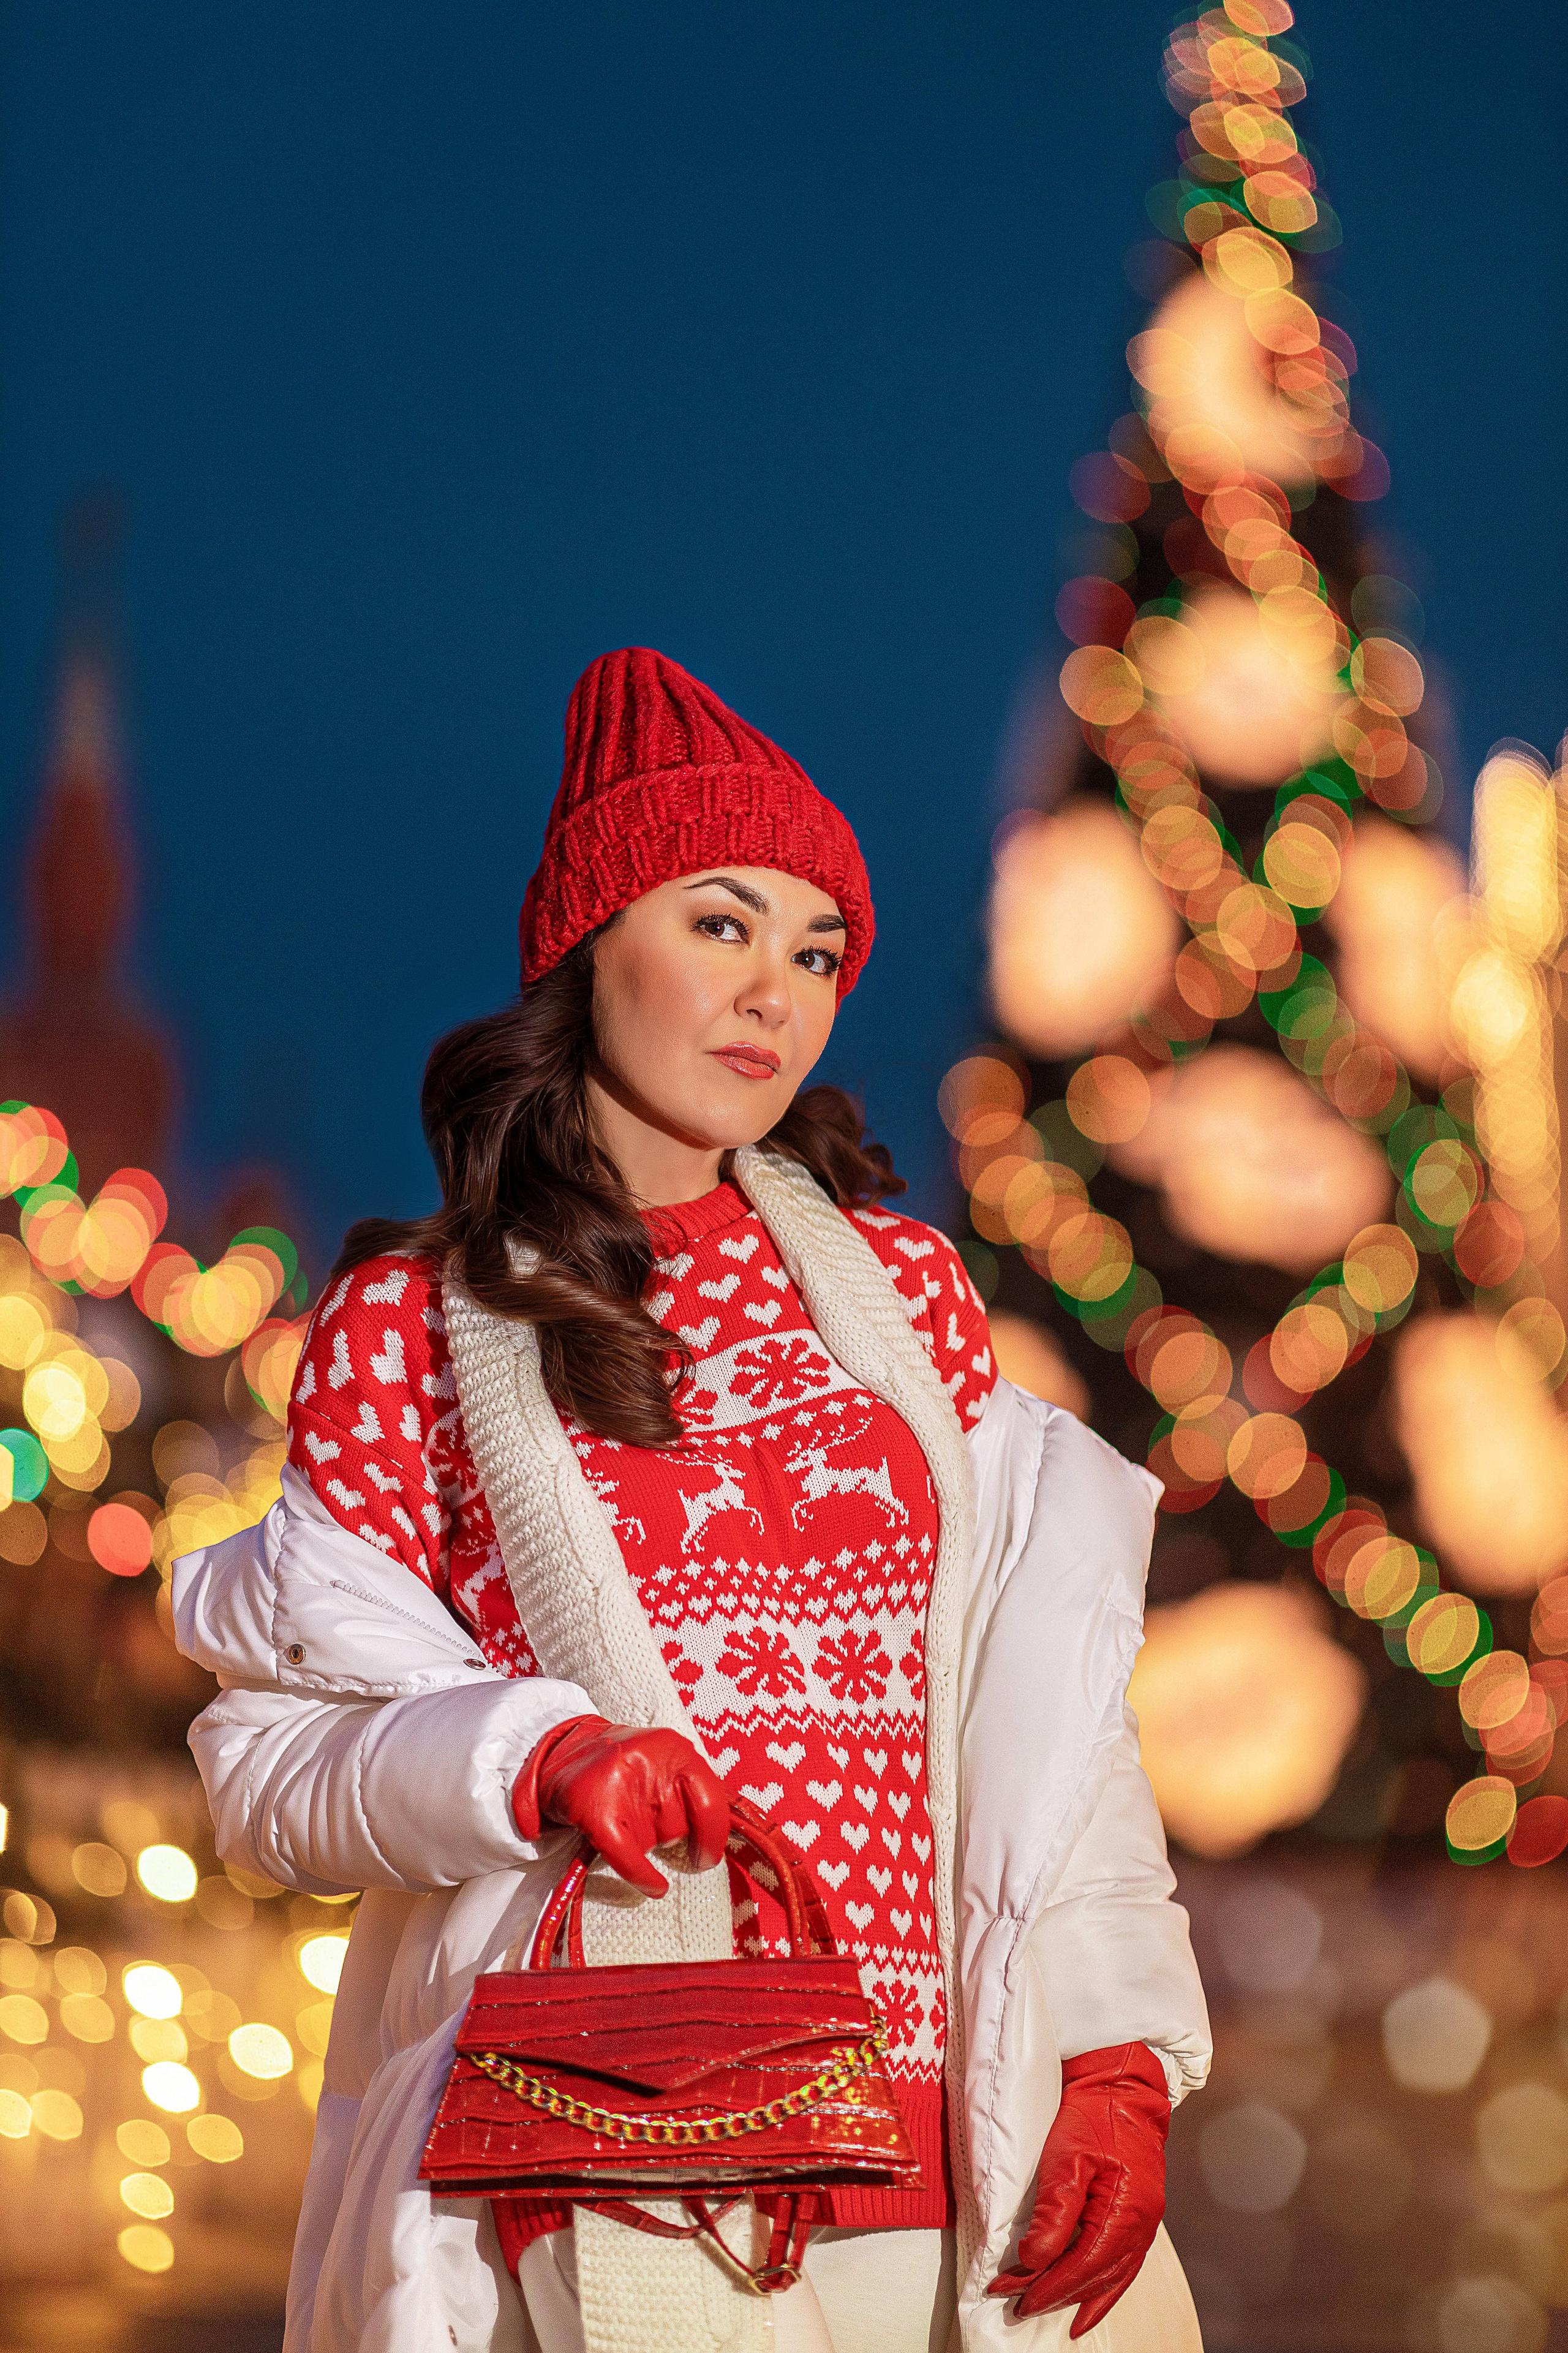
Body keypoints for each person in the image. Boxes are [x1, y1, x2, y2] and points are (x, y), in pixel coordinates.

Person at [173, 648, 1211, 2353]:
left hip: (963, 2153)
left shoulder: (905, 1291)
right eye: (722, 923)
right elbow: (273, 1769)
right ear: (592, 944)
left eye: (818, 951)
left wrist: (1115, 2047)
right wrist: (539, 1754)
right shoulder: (413, 1326)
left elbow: (1045, 1702)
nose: (777, 995)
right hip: (630, 2160)